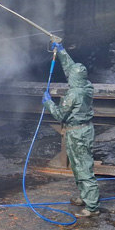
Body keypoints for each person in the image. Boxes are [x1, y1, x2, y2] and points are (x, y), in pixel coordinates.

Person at [43, 44, 100, 218]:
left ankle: (92, 207)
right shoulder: (86, 85)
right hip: (84, 130)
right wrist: (61, 51)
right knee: (78, 166)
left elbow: (60, 114)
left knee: (83, 168)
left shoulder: (73, 94)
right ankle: (85, 197)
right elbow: (71, 68)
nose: (68, 76)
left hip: (77, 133)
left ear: (74, 79)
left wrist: (48, 103)